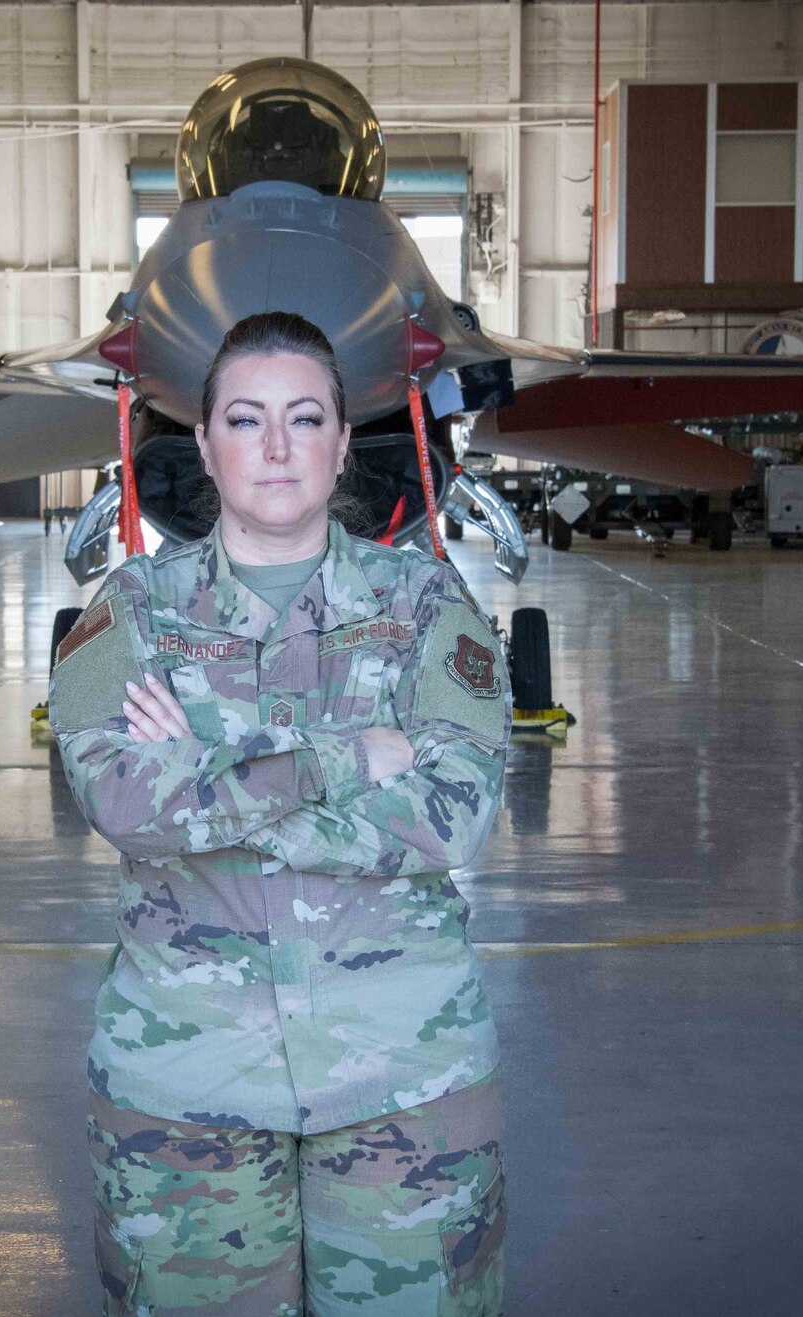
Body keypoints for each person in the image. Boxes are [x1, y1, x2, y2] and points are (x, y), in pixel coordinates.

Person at [48, 311, 511, 1315]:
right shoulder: (126, 614)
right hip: (185, 1085)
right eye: (245, 418)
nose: (273, 445)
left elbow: (454, 814)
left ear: (343, 443)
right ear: (202, 444)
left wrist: (208, 777)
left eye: (304, 419)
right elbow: (125, 806)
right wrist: (351, 756)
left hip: (406, 1080)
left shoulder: (431, 605)